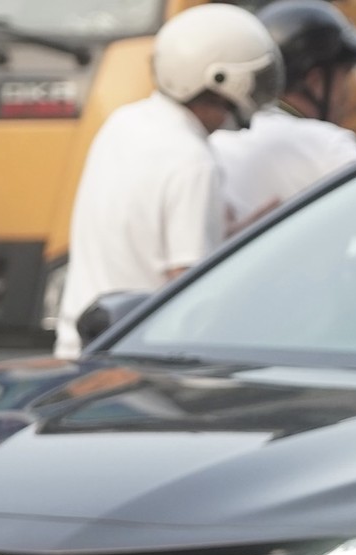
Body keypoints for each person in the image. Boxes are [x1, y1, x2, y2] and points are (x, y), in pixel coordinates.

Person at [53, 4, 281, 357]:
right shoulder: (192, 162)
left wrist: (233, 239)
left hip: (76, 348)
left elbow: (141, 239)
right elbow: (187, 293)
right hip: (132, 365)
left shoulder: (123, 123)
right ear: (223, 81)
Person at [211, 0, 356, 233]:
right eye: (345, 76)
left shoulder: (219, 137)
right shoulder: (327, 146)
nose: (348, 93)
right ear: (316, 81)